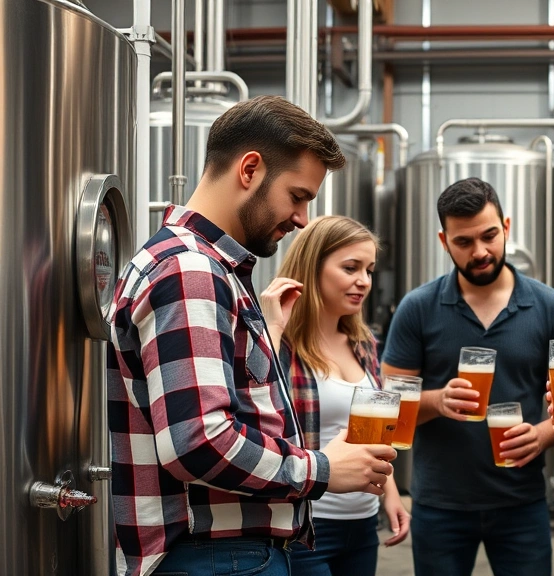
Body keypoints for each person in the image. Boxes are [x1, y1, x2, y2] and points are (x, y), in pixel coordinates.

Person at [107, 95, 397, 576]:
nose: (302, 218)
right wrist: (320, 469)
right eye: (298, 196)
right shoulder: (190, 270)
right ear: (250, 170)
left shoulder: (212, 269)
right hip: (214, 555)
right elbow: (198, 442)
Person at [381, 177, 554, 576]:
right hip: (440, 504)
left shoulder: (551, 306)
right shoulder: (417, 308)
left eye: (489, 236)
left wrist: (542, 435)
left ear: (506, 227)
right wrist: (437, 401)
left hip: (522, 500)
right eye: (464, 242)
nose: (481, 251)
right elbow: (388, 413)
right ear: (443, 240)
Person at [259, 215, 411, 576]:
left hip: (363, 524)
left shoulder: (364, 344)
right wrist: (272, 330)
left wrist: (391, 495)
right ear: (313, 267)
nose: (364, 281)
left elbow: (372, 432)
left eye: (369, 270)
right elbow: (257, 415)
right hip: (307, 526)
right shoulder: (281, 344)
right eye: (351, 267)